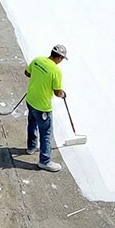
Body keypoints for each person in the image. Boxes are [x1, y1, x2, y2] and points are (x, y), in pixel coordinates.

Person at [24, 44, 67, 172]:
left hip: (30, 100)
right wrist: (63, 94)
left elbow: (27, 73)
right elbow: (57, 92)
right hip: (42, 107)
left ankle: (31, 147)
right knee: (46, 133)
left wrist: (39, 78)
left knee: (32, 123)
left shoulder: (37, 60)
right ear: (59, 58)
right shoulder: (56, 71)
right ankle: (45, 161)